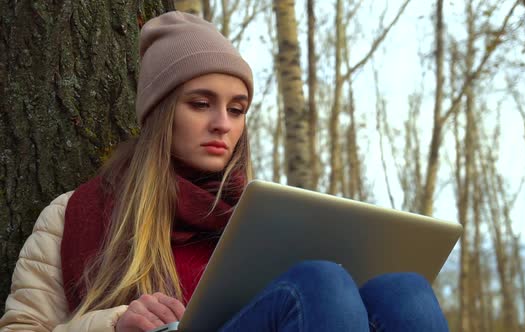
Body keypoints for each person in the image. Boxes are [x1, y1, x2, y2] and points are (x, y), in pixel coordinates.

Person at [0, 11, 449, 332]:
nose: (223, 124)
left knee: (404, 291)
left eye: (237, 109)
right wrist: (116, 323)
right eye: (200, 103)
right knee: (321, 282)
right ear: (159, 113)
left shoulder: (265, 216)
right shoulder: (72, 213)